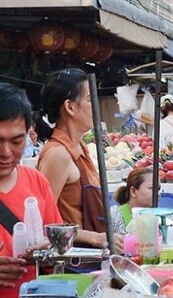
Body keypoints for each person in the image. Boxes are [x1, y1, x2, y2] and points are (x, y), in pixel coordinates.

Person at [0, 83, 62, 298]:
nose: (5, 153)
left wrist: (49, 251)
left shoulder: (36, 182)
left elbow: (56, 254)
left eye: (16, 141)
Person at [37, 69, 122, 252]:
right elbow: (43, 221)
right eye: (90, 100)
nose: (96, 106)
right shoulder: (58, 154)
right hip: (72, 260)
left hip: (92, 257)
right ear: (70, 107)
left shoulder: (80, 147)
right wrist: (95, 238)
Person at [109, 167, 154, 236]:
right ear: (133, 191)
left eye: (158, 189)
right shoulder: (114, 215)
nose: (158, 193)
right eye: (151, 188)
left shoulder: (165, 217)